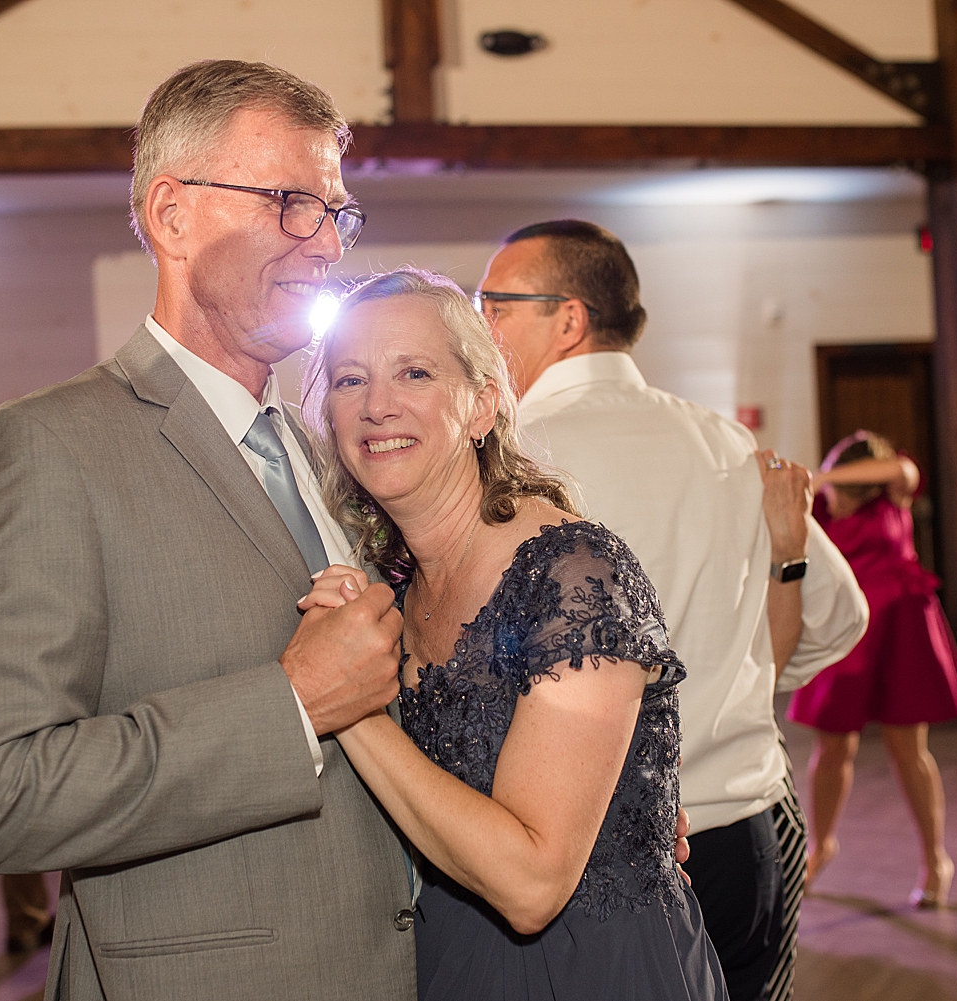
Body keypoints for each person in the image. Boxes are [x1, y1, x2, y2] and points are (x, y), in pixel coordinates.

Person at [0, 60, 417, 1001]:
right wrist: (291, 703)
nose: (323, 246)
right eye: (289, 203)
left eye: (335, 213)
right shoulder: (49, 448)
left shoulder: (318, 447)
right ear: (172, 214)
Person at [295, 267, 724, 999]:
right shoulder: (390, 591)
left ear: (482, 406)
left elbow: (532, 883)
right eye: (349, 380)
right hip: (446, 963)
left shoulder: (576, 574)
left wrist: (346, 700)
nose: (377, 405)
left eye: (416, 372)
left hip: (594, 971)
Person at [474, 219, 868, 1001]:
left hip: (595, 852)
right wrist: (742, 680)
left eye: (496, 306)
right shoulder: (723, 441)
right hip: (743, 832)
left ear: (570, 318)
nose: (481, 327)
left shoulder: (514, 455)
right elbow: (843, 614)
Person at [788, 430, 957, 907]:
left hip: (900, 630)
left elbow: (900, 469)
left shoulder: (894, 492)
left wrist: (825, 473)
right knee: (831, 750)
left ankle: (934, 859)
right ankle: (821, 845)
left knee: (907, 748)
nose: (834, 493)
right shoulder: (820, 509)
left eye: (843, 484)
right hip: (846, 634)